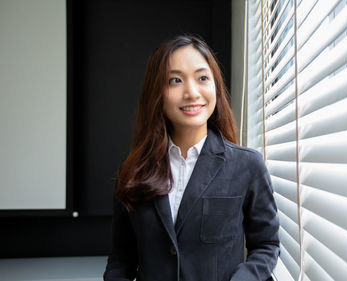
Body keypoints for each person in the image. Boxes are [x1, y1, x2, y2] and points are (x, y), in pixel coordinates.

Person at [103, 35, 280, 281]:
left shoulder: (247, 166)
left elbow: (267, 245)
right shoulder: (132, 171)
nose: (191, 92)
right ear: (157, 93)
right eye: (175, 80)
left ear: (215, 85)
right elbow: (121, 260)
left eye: (202, 78)